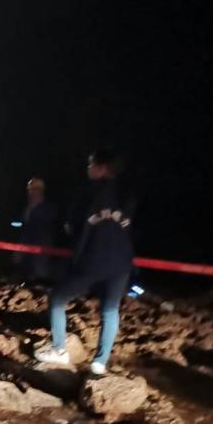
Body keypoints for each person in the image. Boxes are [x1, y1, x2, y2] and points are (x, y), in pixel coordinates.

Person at [34, 148, 135, 375]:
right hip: (122, 262)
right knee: (110, 309)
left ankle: (60, 350)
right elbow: (130, 227)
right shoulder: (127, 194)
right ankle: (100, 363)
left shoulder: (87, 192)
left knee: (57, 298)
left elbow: (72, 227)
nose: (88, 169)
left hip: (93, 259)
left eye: (91, 164)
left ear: (101, 168)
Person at [16, 177, 58, 281]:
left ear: (40, 190)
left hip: (41, 246)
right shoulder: (27, 206)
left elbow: (47, 226)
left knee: (40, 273)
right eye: (30, 189)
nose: (31, 192)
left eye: (34, 189)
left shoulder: (48, 207)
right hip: (26, 245)